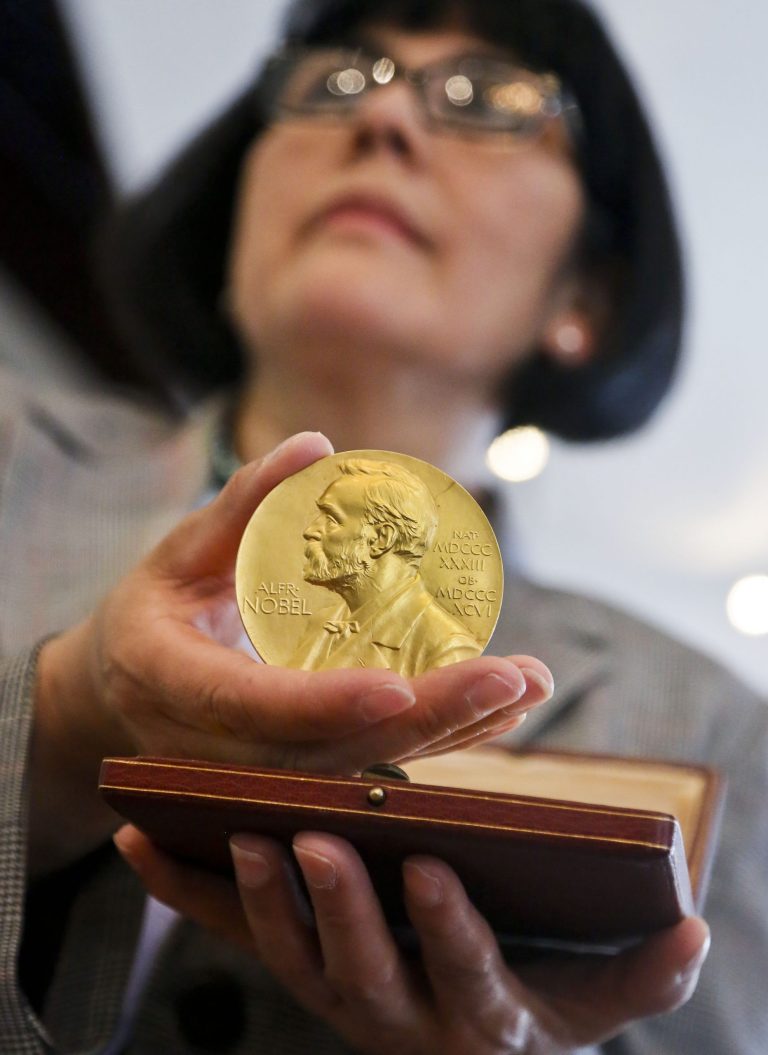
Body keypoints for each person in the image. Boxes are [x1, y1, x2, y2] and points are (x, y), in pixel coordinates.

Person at [1, 0, 766, 1053]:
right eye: (334, 81)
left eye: (486, 97)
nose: (384, 119)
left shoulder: (711, 722)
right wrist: (63, 725)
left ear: (584, 298)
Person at [289, 458, 483, 673]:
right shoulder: (321, 624)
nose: (310, 530)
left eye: (332, 519)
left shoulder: (447, 649)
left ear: (381, 539)